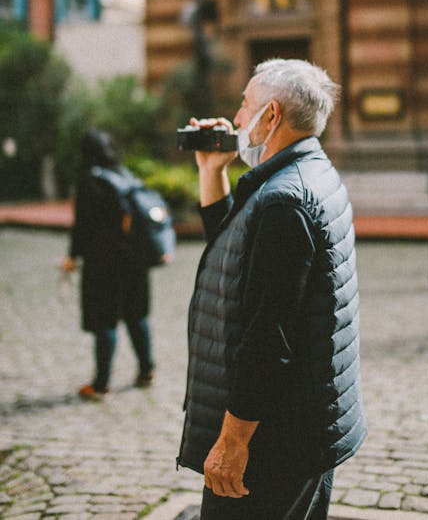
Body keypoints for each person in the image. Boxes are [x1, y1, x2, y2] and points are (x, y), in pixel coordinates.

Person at [177, 59, 366, 520]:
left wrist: (232, 442)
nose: (237, 118)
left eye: (244, 105)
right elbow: (239, 252)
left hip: (275, 441)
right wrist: (211, 169)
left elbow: (268, 337)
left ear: (272, 114)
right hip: (304, 425)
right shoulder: (305, 174)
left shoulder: (284, 199)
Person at [62, 129, 155, 399]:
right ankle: (146, 369)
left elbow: (82, 226)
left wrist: (72, 256)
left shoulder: (89, 180)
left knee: (106, 322)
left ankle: (101, 383)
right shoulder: (124, 175)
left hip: (103, 263)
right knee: (137, 316)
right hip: (135, 260)